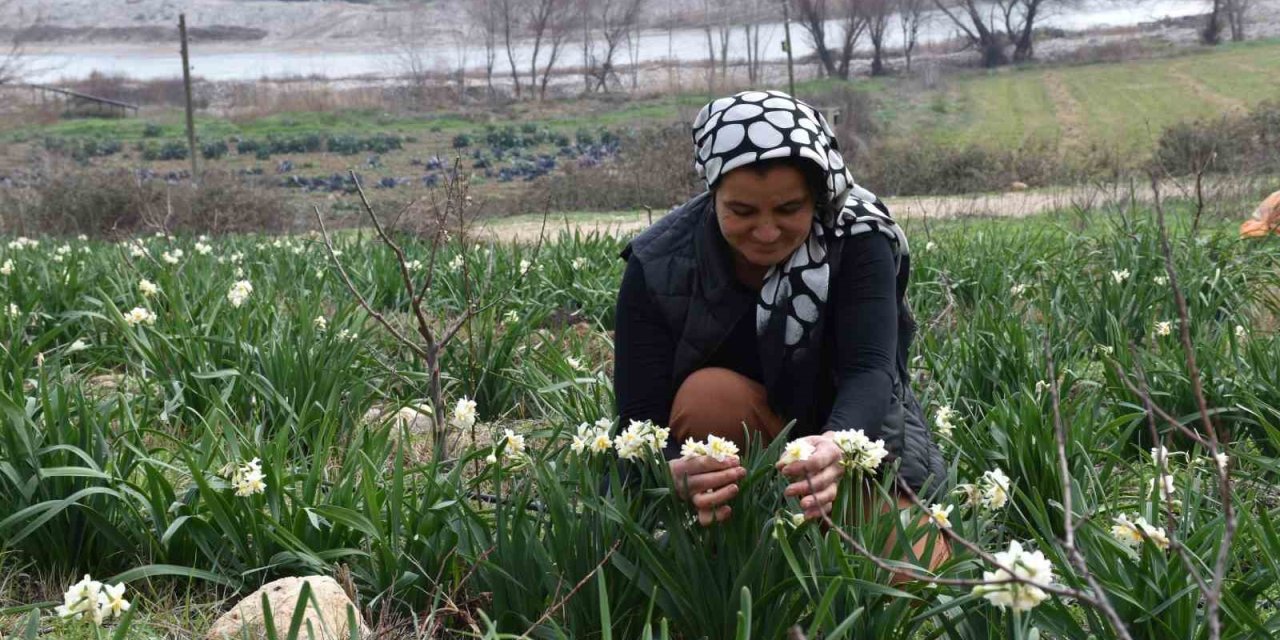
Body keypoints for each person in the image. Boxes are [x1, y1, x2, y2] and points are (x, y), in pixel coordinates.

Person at [612, 90, 947, 567]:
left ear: (817, 195)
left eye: (789, 209)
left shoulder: (858, 236)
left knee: (916, 573)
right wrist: (669, 473)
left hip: (844, 438)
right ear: (712, 193)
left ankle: (822, 528)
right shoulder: (659, 263)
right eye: (742, 211)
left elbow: (869, 370)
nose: (767, 232)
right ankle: (739, 548)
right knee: (708, 394)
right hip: (737, 446)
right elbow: (637, 421)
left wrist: (837, 447)